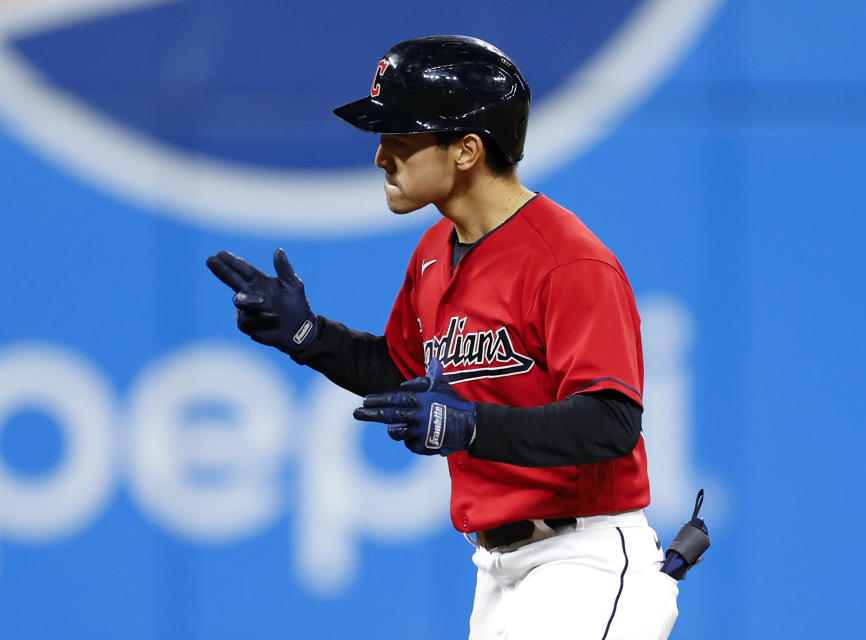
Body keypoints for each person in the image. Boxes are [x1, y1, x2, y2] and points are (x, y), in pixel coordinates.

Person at [207, 35, 678, 640]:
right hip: (499, 571)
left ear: (466, 150)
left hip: (582, 558)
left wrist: (473, 426)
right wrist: (307, 335)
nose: (381, 158)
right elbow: (402, 372)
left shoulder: (567, 263)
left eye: (400, 140)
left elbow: (610, 423)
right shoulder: (435, 252)